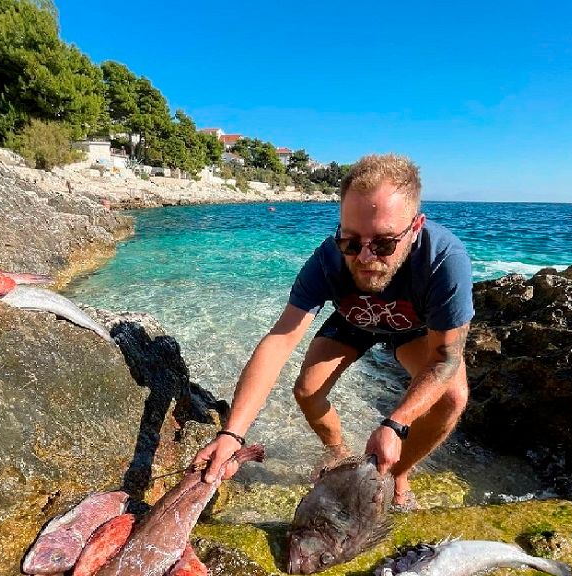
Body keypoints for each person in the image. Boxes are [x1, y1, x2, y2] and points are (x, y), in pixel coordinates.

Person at [194, 154, 473, 509]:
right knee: (307, 391)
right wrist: (233, 434)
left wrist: (396, 424)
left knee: (452, 398)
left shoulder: (444, 260)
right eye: (351, 242)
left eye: (385, 243)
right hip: (353, 320)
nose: (366, 257)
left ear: (415, 227)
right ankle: (337, 452)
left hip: (414, 329)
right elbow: (280, 340)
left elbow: (446, 356)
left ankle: (399, 472)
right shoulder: (326, 260)